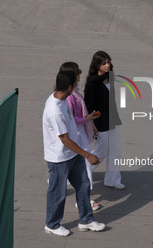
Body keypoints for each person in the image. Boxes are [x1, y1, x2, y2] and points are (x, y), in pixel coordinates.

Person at [42, 70, 106, 236]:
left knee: (83, 185)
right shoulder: (55, 110)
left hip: (72, 153)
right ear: (70, 87)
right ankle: (52, 224)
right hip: (59, 157)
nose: (77, 85)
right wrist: (87, 155)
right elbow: (64, 139)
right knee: (58, 193)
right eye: (76, 83)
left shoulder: (62, 99)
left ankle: (86, 220)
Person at [59, 62, 100, 211]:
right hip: (76, 135)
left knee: (74, 166)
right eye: (78, 74)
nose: (80, 76)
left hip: (80, 133)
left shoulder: (74, 91)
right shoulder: (70, 98)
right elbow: (72, 119)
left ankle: (60, 182)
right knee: (85, 168)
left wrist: (91, 123)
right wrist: (87, 119)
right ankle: (84, 201)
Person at [84, 51, 125, 190]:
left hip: (113, 119)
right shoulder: (92, 83)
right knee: (101, 152)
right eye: (104, 63)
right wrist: (92, 124)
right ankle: (78, 172)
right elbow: (88, 106)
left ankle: (112, 180)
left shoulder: (110, 76)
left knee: (115, 151)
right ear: (97, 65)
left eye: (108, 62)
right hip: (100, 123)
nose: (108, 65)